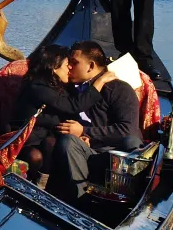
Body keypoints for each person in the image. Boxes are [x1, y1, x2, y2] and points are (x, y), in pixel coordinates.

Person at [48, 41, 144, 202]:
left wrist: (86, 132)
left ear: (90, 66)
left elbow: (128, 131)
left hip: (113, 156)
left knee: (132, 141)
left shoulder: (120, 89)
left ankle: (127, 200)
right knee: (68, 142)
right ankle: (80, 201)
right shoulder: (68, 89)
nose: (69, 67)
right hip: (85, 153)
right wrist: (80, 137)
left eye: (74, 62)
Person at [12, 45, 117, 188]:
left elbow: (69, 113)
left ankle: (45, 184)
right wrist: (100, 82)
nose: (70, 69)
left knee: (52, 143)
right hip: (26, 137)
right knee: (37, 156)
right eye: (67, 65)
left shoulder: (58, 86)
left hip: (44, 135)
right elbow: (73, 106)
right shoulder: (38, 87)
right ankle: (36, 185)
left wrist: (82, 134)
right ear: (54, 67)